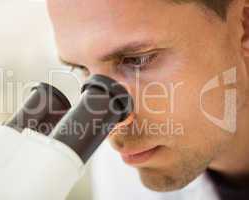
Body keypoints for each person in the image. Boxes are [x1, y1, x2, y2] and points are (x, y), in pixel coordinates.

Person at [46, 0, 249, 199]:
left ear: (244, 26)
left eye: (137, 60)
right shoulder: (122, 168)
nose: (110, 127)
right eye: (82, 69)